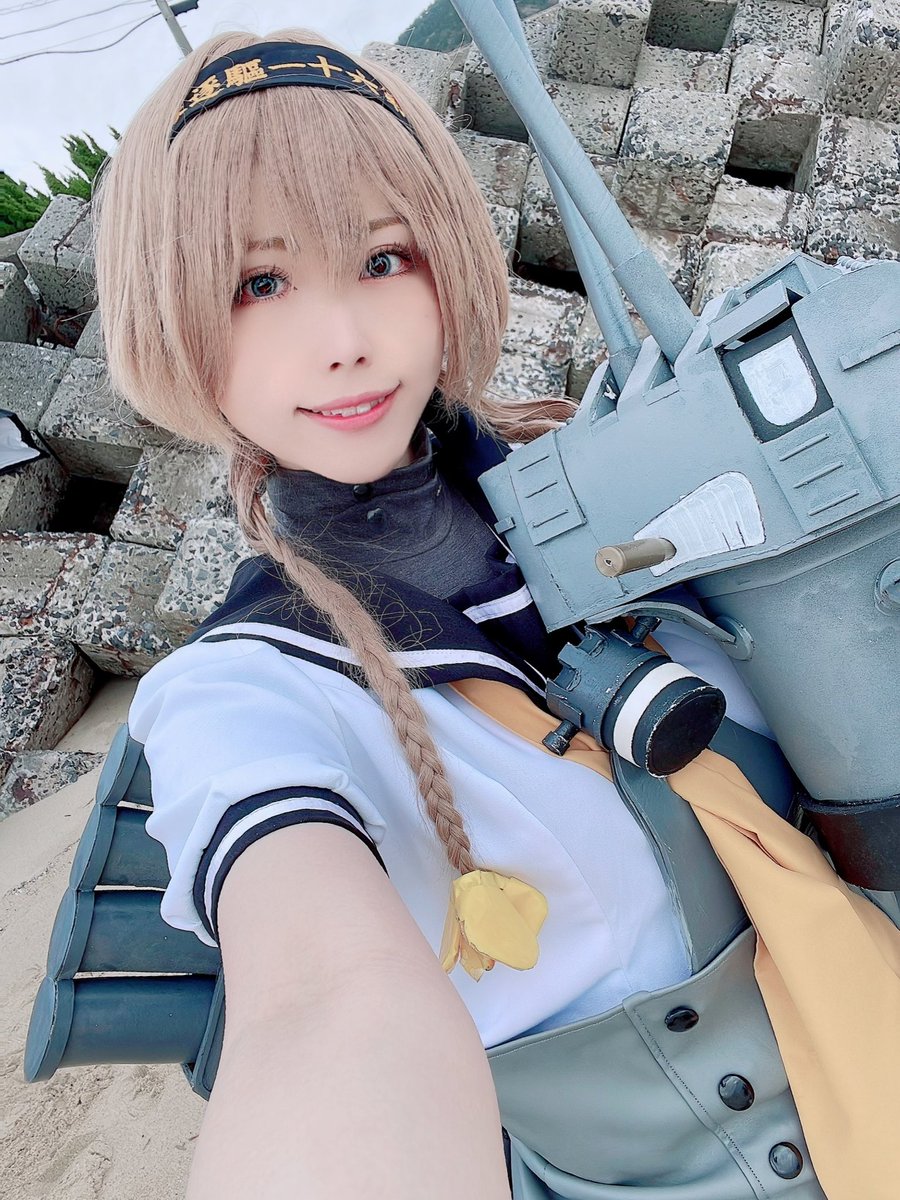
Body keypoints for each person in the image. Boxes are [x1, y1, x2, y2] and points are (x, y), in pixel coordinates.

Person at [91, 26, 896, 1200]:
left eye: (383, 257)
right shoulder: (244, 690)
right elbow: (322, 1005)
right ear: (169, 318)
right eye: (258, 284)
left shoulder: (618, 471)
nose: (345, 342)